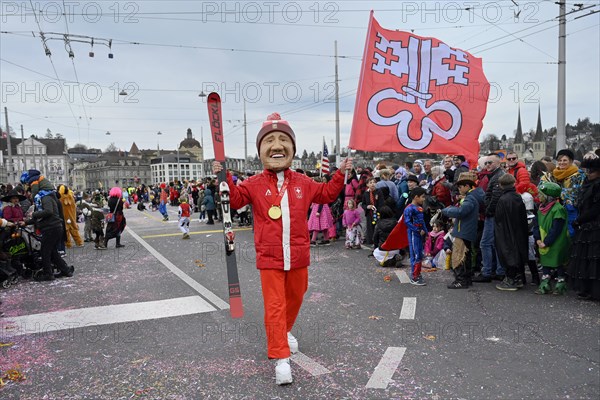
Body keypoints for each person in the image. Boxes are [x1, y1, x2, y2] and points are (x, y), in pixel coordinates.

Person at [212, 112, 351, 385]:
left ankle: (284, 332)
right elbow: (235, 200)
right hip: (270, 256)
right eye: (269, 141)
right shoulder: (253, 184)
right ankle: (281, 358)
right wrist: (223, 178)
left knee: (296, 297)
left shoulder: (303, 182)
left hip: (299, 254)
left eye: (283, 140)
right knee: (275, 306)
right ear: (261, 151)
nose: (277, 146)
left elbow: (327, 194)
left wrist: (341, 173)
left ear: (293, 148)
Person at [20, 170, 74, 281]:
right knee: (52, 251)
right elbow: (39, 217)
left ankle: (48, 274)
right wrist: (26, 222)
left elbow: (48, 212)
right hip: (52, 227)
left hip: (51, 228)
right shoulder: (44, 197)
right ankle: (65, 270)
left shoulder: (45, 197)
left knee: (45, 251)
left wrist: (33, 214)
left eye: (29, 192)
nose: (29, 195)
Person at [441, 171, 485, 288]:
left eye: (460, 186)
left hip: (464, 231)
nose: (459, 188)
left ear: (467, 186)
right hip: (466, 230)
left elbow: (461, 212)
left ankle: (461, 281)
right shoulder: (471, 197)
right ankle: (466, 279)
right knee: (466, 257)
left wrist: (446, 210)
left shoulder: (470, 199)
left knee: (459, 257)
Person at [568, 154, 600, 300]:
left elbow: (596, 208)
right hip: (586, 225)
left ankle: (593, 290)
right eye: (587, 171)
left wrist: (579, 220)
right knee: (585, 258)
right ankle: (585, 288)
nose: (588, 173)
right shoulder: (586, 184)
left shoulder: (598, 185)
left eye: (591, 171)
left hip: (595, 225)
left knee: (594, 259)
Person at [473, 153, 506, 283]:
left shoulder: (498, 177)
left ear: (498, 163)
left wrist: (488, 211)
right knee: (494, 244)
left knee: (485, 243)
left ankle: (487, 272)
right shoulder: (494, 176)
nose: (487, 165)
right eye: (486, 163)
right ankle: (498, 271)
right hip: (495, 215)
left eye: (490, 162)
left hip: (493, 215)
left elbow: (495, 198)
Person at [533, 181, 571, 295]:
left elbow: (556, 229)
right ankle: (545, 284)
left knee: (557, 261)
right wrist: (538, 239)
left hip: (556, 242)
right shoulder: (540, 209)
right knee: (545, 261)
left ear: (549, 197)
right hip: (543, 241)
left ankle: (560, 285)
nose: (538, 197)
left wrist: (547, 242)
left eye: (541, 195)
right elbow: (536, 225)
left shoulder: (558, 209)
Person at [494, 174, 529, 291]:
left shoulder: (503, 199)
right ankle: (517, 278)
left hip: (505, 231)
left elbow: (499, 219)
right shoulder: (517, 197)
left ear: (501, 185)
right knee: (517, 252)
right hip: (518, 230)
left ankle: (511, 279)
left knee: (507, 253)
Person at [541, 149, 585, 237]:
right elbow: (541, 190)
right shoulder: (551, 175)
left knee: (570, 236)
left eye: (565, 160)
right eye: (560, 160)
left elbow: (578, 193)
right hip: (554, 211)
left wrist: (557, 192)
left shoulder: (579, 175)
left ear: (571, 161)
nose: (562, 163)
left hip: (571, 212)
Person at [404, 187, 428, 286]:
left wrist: (426, 232)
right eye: (422, 197)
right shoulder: (409, 208)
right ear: (416, 197)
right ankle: (414, 276)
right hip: (414, 234)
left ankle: (417, 273)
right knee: (416, 254)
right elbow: (407, 222)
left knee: (419, 254)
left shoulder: (419, 208)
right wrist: (417, 230)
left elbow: (422, 222)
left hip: (419, 234)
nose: (424, 199)